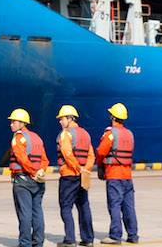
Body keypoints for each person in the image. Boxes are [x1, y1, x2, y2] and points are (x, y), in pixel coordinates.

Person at [95, 102, 138, 244]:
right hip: (127, 176)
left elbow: (101, 152)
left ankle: (115, 235)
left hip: (114, 175)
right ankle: (133, 235)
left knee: (114, 205)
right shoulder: (129, 134)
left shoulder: (110, 134)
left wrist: (100, 168)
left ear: (113, 117)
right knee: (129, 206)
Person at [7, 108, 49, 247]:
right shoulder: (37, 137)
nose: (11, 124)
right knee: (37, 212)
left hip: (23, 180)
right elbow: (45, 159)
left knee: (24, 213)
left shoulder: (18, 138)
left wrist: (32, 172)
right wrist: (40, 171)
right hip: (38, 180)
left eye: (13, 121)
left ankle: (25, 243)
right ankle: (38, 242)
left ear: (22, 123)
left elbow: (22, 159)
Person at [55, 105, 96, 247]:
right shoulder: (85, 134)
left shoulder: (66, 134)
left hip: (69, 175)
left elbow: (67, 153)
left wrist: (78, 168)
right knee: (84, 206)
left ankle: (70, 239)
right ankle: (88, 239)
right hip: (82, 176)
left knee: (66, 207)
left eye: (62, 119)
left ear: (70, 118)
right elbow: (91, 155)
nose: (60, 122)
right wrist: (86, 169)